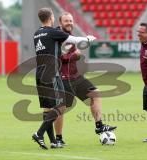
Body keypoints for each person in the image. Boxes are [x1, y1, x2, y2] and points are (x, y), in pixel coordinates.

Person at [32, 8, 96, 150]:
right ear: (51, 17)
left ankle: (53, 141)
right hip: (51, 72)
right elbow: (74, 40)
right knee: (61, 106)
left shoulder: (37, 33)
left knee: (48, 108)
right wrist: (88, 39)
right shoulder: (53, 32)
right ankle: (39, 133)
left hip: (39, 73)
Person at [54, 12, 117, 146]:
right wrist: (75, 55)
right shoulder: (59, 37)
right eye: (66, 21)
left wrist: (75, 54)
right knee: (61, 108)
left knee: (95, 93)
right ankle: (58, 139)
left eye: (71, 20)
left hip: (75, 76)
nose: (69, 23)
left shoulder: (69, 36)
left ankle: (99, 125)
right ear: (60, 23)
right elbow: (58, 57)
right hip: (63, 78)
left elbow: (70, 54)